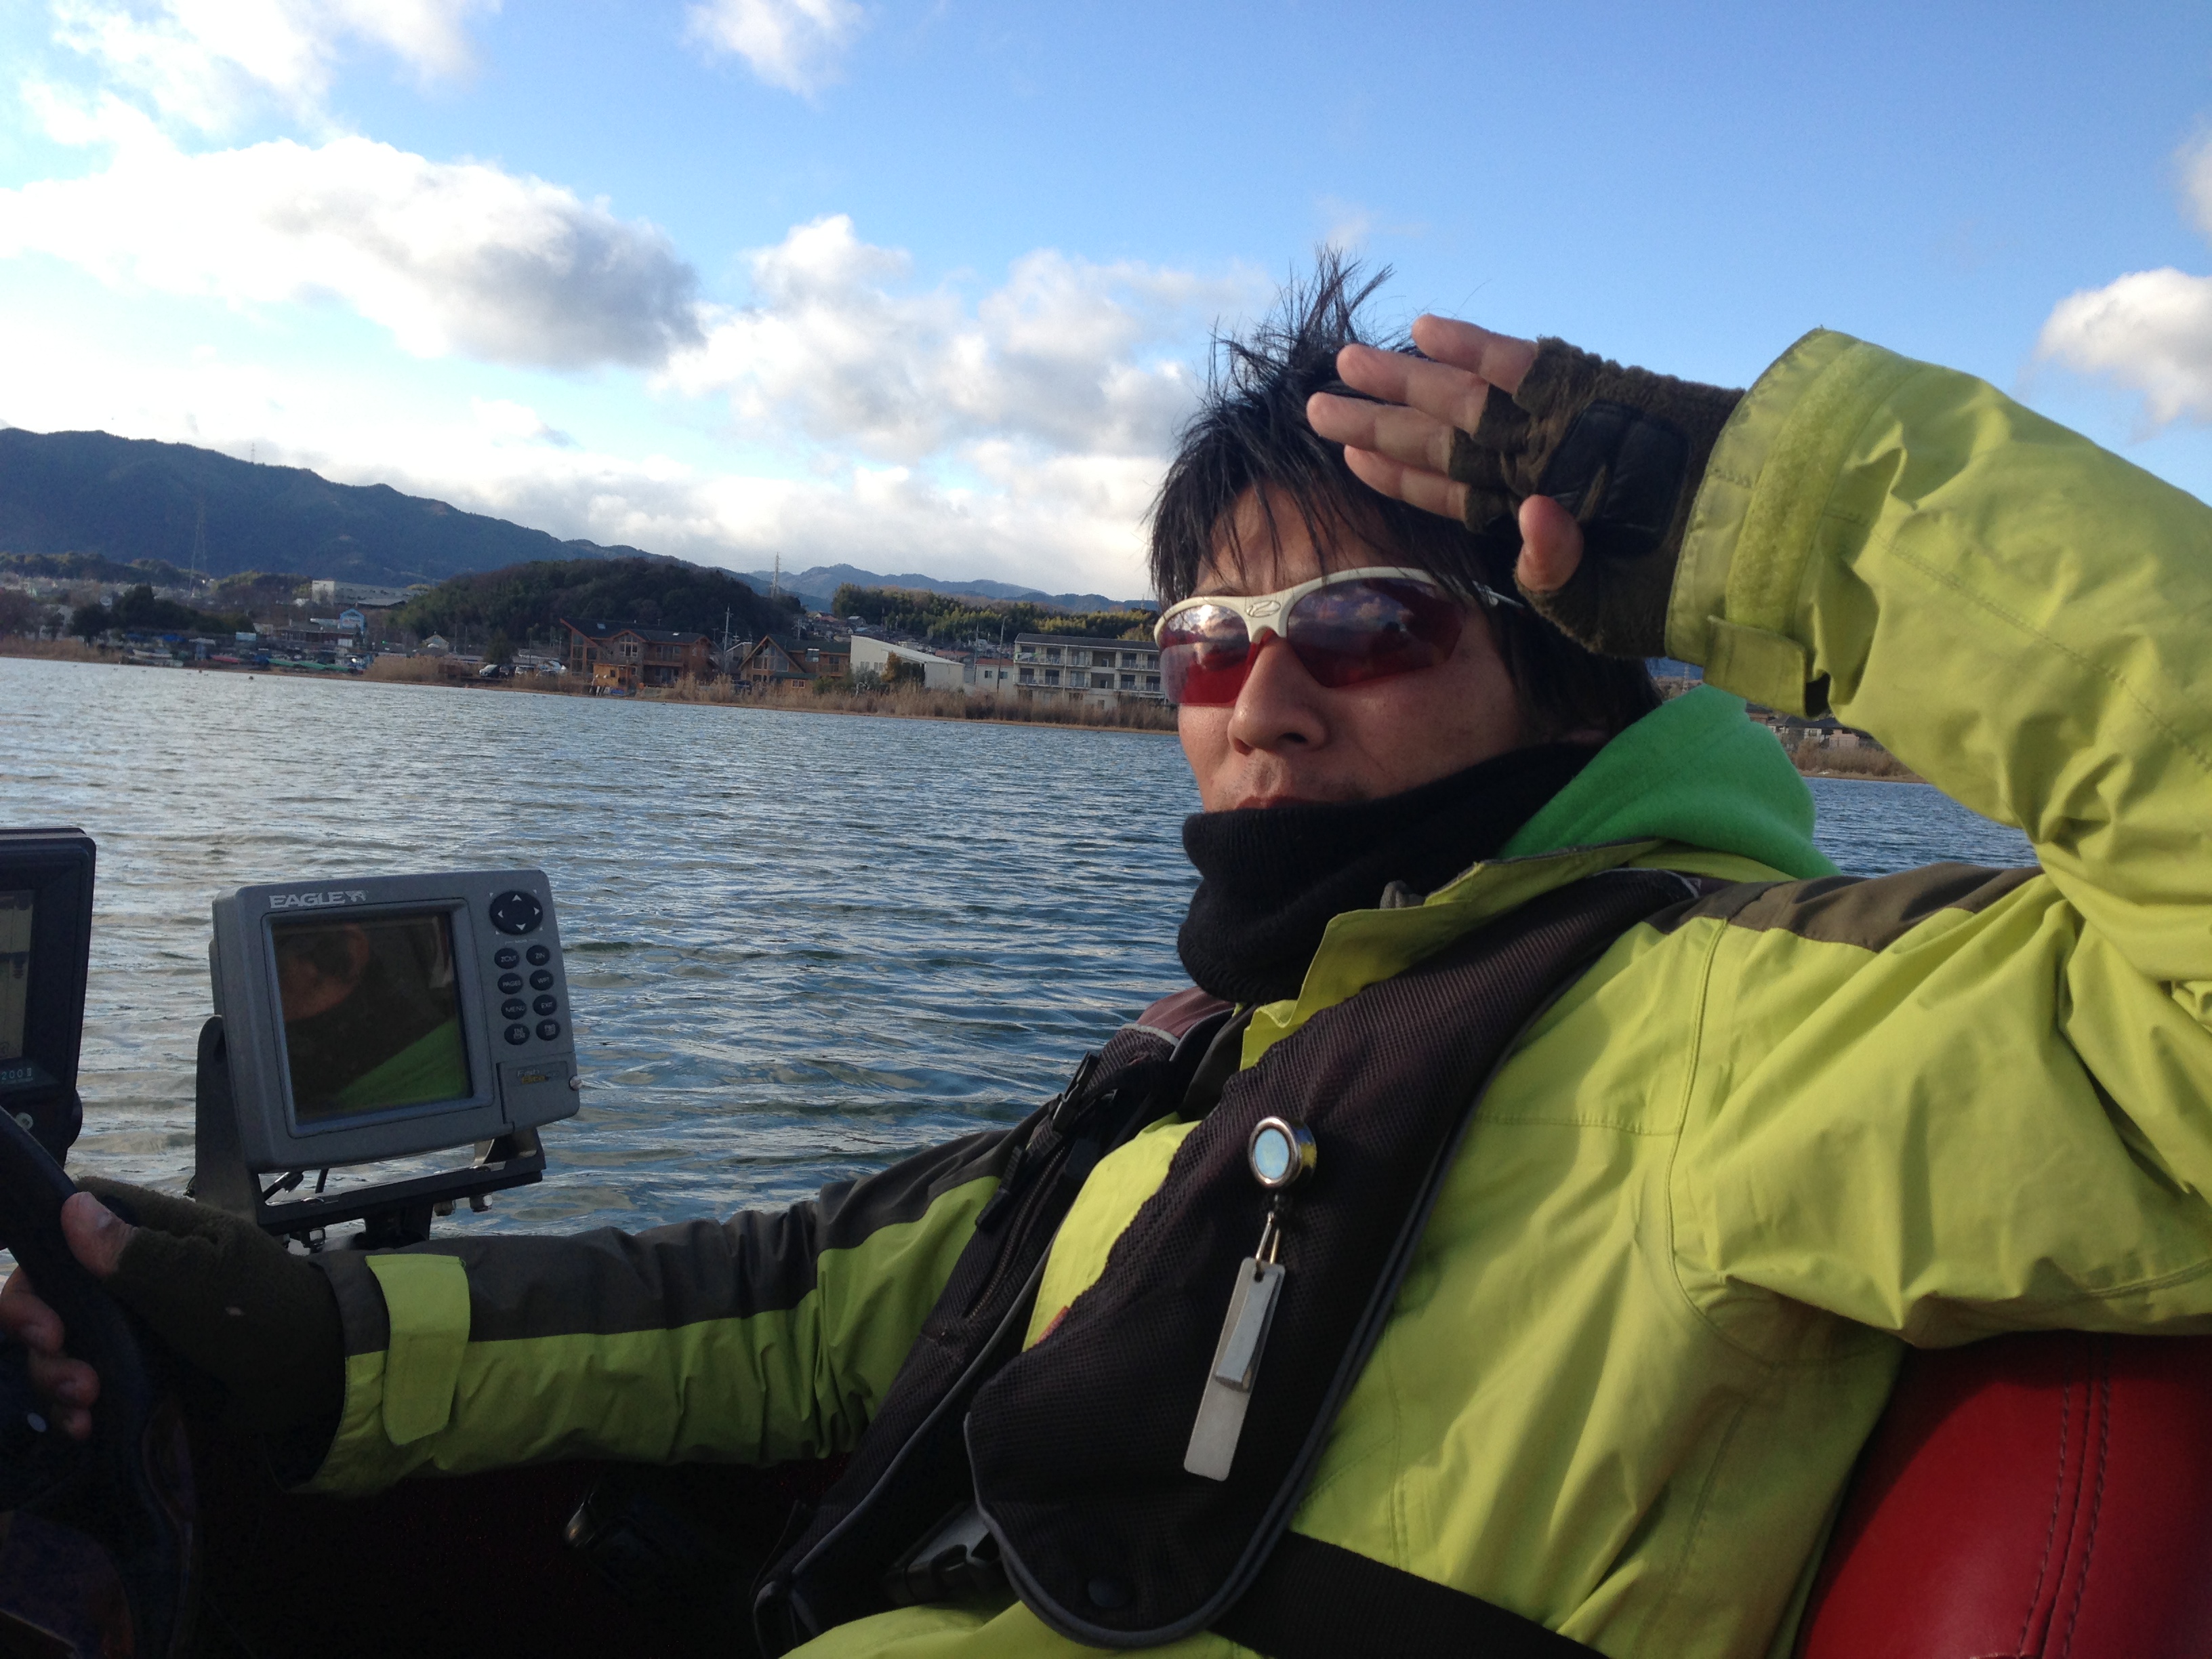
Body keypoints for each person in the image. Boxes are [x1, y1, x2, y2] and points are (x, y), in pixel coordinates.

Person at [8, 256, 2212, 1659]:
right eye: (1204, 641)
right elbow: (811, 1306)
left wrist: (1770, 512)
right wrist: (302, 1332)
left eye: (1366, 623)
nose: (1263, 702)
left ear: (1566, 681)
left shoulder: (1740, 1028)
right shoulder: (1238, 1054)